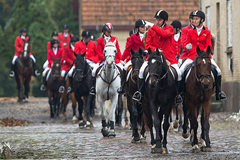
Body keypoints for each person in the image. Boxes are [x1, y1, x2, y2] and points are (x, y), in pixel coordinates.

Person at [132, 10, 182, 105]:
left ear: (164, 20)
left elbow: (164, 34)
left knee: (178, 73)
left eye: (159, 20)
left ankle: (177, 95)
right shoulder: (150, 30)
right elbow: (148, 44)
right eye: (157, 20)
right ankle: (140, 93)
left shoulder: (170, 28)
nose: (157, 21)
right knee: (142, 71)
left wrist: (153, 26)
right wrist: (156, 51)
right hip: (153, 56)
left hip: (168, 56)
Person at [179, 10, 226, 100]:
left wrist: (203, 53)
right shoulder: (190, 32)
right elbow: (189, 44)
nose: (194, 21)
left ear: (202, 20)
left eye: (196, 19)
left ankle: (218, 92)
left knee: (218, 71)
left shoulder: (207, 32)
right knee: (180, 71)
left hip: (205, 56)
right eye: (193, 19)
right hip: (192, 56)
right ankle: (180, 94)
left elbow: (208, 45)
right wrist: (189, 47)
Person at [118, 19, 147, 93]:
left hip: (145, 58)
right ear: (138, 28)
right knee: (124, 68)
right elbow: (128, 49)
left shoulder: (148, 36)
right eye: (142, 27)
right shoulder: (133, 37)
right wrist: (122, 58)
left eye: (144, 27)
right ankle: (122, 86)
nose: (144, 28)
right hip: (135, 59)